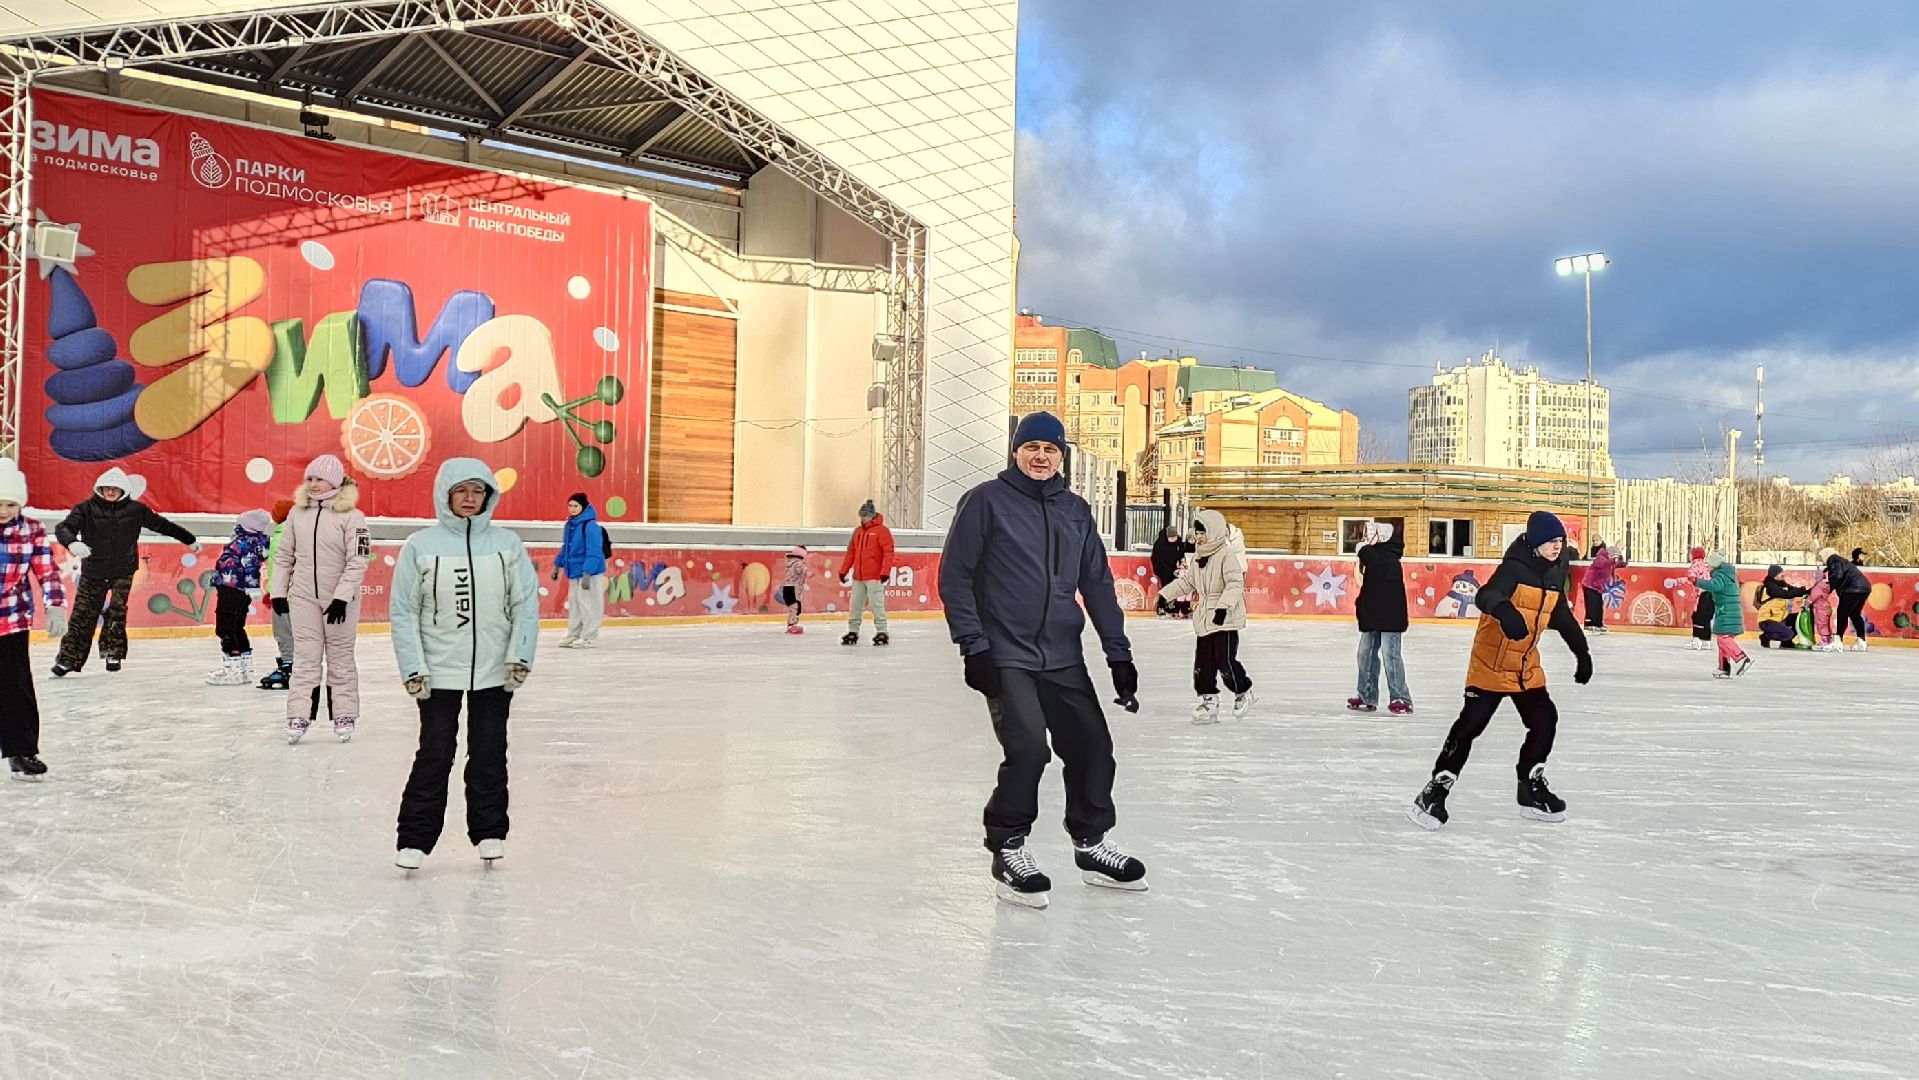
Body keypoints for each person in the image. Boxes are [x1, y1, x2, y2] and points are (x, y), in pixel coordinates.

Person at [941, 411, 1146, 908]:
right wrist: (974, 645)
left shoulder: (1075, 510)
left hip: (1062, 653)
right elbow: (956, 576)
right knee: (1029, 750)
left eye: (1050, 450)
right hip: (1005, 654)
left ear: (1061, 457)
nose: (1040, 457)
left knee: (1093, 747)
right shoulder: (985, 502)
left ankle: (1092, 843)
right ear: (1016, 452)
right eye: (1031, 447)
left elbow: (1096, 584)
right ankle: (1008, 846)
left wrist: (1118, 654)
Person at [390, 459, 538, 871]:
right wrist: (413, 667)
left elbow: (525, 605)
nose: (470, 499)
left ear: (488, 496)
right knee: (436, 753)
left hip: (495, 670)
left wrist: (520, 654)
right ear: (446, 495)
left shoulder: (507, 544)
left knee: (490, 751)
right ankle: (414, 838)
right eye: (462, 491)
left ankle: (490, 832)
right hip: (437, 671)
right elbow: (404, 611)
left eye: (478, 491)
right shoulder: (421, 545)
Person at [1409, 511, 1592, 831]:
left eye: (1560, 542)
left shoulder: (1554, 570)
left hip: (1525, 665)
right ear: (1535, 543)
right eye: (1551, 542)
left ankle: (1530, 787)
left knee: (1545, 720)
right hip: (1491, 663)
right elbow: (1486, 595)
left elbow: (1560, 613)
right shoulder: (1514, 568)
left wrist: (1582, 652)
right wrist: (1506, 612)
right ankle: (1435, 790)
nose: (1557, 547)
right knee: (1470, 727)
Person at [52, 466, 199, 676]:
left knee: (117, 612)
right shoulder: (85, 509)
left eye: (115, 489)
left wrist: (189, 539)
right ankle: (68, 659)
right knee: (82, 615)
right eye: (106, 488)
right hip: (94, 571)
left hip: (123, 569)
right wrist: (72, 542)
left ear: (124, 491)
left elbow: (162, 525)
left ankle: (113, 653)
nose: (110, 492)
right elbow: (63, 528)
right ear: (99, 489)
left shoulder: (137, 510)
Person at [272, 454, 369, 745]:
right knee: (305, 659)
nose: (313, 484)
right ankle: (298, 715)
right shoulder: (296, 514)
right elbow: (284, 555)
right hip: (303, 597)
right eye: (309, 479)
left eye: (319, 478)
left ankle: (344, 713)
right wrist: (278, 591)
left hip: (340, 600)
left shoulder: (352, 517)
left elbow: (358, 559)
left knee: (339, 658)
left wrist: (341, 597)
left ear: (336, 481)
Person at [0, 459, 67, 779]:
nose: (4, 510)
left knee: (16, 688)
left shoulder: (31, 530)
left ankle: (21, 751)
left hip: (11, 620)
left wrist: (55, 605)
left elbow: (47, 571)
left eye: (10, 503)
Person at [1157, 509, 1253, 725]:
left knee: (1225, 661)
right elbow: (1188, 582)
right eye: (1197, 533)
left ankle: (1243, 692)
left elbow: (1235, 584)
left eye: (1202, 533)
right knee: (1203, 663)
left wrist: (1223, 608)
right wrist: (1165, 595)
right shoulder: (1200, 556)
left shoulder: (1226, 555)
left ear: (1215, 532)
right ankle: (1209, 701)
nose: (1198, 537)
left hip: (1225, 617)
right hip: (1205, 617)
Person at [1351, 520, 1413, 714]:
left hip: (1390, 619)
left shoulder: (1389, 559)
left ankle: (1401, 698)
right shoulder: (1374, 559)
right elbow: (1369, 590)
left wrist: (1363, 551)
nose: (1364, 540)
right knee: (1365, 655)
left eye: (1368, 535)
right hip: (1372, 616)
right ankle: (1366, 696)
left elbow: (1377, 564)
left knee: (1390, 656)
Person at [205, 509, 273, 685]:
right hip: (233, 586)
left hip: (234, 587)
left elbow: (250, 566)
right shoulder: (249, 541)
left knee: (226, 628)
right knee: (236, 627)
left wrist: (252, 587)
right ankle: (244, 668)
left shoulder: (245, 542)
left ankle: (233, 670)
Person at [553, 492, 608, 649]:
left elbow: (595, 551)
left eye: (575, 506)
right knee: (575, 603)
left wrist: (588, 572)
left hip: (589, 572)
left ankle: (589, 636)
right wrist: (557, 564)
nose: (572, 509)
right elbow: (567, 548)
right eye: (570, 505)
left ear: (583, 506)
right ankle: (574, 633)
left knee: (589, 603)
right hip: (574, 570)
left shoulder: (590, 526)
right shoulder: (570, 525)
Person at [840, 499, 896, 646]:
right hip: (858, 576)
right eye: (861, 515)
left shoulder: (882, 531)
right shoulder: (858, 532)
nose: (862, 518)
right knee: (856, 604)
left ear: (872, 516)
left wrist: (885, 572)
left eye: (865, 515)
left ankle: (882, 631)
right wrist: (843, 571)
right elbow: (851, 552)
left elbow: (888, 553)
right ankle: (853, 630)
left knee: (877, 604)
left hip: (874, 576)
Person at [257, 499, 297, 690]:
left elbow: (287, 567)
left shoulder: (285, 536)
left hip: (287, 596)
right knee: (290, 632)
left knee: (284, 632)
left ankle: (289, 666)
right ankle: (294, 664)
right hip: (287, 593)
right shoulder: (285, 533)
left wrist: (277, 592)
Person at [1696, 552, 1751, 677]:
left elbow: (1714, 585)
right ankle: (1724, 668)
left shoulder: (1720, 575)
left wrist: (1696, 581)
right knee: (1723, 639)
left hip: (1726, 611)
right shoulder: (1727, 574)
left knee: (1723, 639)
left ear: (1715, 565)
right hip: (1729, 610)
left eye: (1709, 566)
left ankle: (1741, 658)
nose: (1708, 568)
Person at [1819, 547, 1872, 650]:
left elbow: (1837, 575)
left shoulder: (1833, 559)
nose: (1822, 560)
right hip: (1864, 588)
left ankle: (1838, 640)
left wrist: (1828, 588)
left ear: (1826, 555)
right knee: (1855, 614)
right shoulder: (1842, 561)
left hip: (1852, 589)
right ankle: (1861, 641)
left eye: (1821, 557)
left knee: (1842, 613)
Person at [1754, 565, 1808, 650]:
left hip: (1780, 617)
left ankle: (1786, 642)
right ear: (1774, 575)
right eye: (1780, 573)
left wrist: (1808, 591)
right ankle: (1766, 636)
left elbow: (1794, 591)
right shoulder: (1770, 586)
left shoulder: (1782, 584)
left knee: (1799, 618)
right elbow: (1785, 594)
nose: (1783, 574)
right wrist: (1803, 590)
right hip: (1768, 620)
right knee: (1788, 634)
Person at [1580, 541, 1622, 632]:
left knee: (1599, 605)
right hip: (1590, 585)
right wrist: (1613, 560)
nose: (1616, 559)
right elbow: (1604, 564)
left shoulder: (1608, 561)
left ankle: (1598, 623)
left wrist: (1622, 563)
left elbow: (1614, 564)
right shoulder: (1601, 558)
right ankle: (1589, 624)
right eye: (1615, 557)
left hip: (1598, 587)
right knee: (1592, 604)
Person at [1151, 525, 1184, 618]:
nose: (1173, 539)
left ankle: (1174, 607)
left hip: (1175, 570)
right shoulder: (1160, 544)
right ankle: (1162, 606)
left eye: (1175, 537)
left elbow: (1181, 555)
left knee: (1177, 586)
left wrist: (1179, 565)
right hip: (1163, 570)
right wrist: (1166, 570)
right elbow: (1156, 559)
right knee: (1166, 586)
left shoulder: (1179, 543)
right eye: (1171, 537)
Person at [1806, 571, 1838, 652]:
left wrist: (1807, 603)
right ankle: (1828, 640)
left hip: (1821, 608)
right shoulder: (1825, 585)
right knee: (1825, 624)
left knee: (1821, 624)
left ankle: (1825, 641)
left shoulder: (1818, 586)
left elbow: (1813, 595)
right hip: (1826, 607)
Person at [781, 546, 808, 634]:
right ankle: (792, 624)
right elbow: (801, 572)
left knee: (792, 607)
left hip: (787, 587)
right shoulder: (799, 564)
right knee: (795, 607)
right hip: (794, 588)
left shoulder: (789, 563)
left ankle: (790, 624)